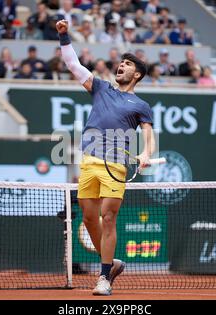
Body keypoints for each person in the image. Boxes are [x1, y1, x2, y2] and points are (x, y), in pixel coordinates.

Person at [56, 19, 154, 296]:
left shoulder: (141, 105)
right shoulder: (101, 88)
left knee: (107, 218)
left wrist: (146, 152)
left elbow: (149, 134)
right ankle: (113, 263)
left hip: (114, 166)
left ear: (136, 75)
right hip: (88, 162)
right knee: (89, 219)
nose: (121, 66)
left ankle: (104, 277)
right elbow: (74, 65)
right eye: (121, 63)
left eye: (128, 64)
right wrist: (64, 36)